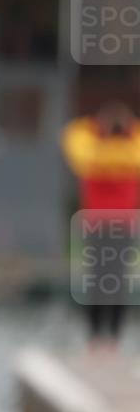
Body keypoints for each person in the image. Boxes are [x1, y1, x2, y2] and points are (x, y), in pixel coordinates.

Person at [62, 102, 140, 354]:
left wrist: (100, 128)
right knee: (110, 280)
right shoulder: (130, 153)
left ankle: (101, 339)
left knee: (103, 279)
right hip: (112, 225)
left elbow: (73, 138)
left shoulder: (92, 154)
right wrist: (122, 128)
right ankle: (106, 338)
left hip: (107, 225)